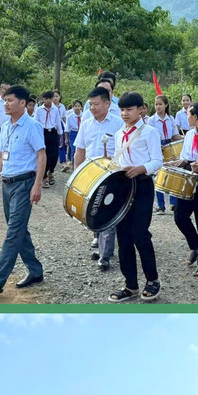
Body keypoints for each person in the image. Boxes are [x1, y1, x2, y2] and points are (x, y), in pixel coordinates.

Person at [0, 85, 46, 295]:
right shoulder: (6, 126)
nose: (5, 104)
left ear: (23, 104)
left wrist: (37, 185)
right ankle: (35, 270)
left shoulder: (32, 126)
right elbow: (0, 157)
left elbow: (41, 156)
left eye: (10, 100)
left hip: (24, 184)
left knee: (13, 232)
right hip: (7, 184)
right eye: (4, 100)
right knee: (18, 230)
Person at [107, 91, 164, 303]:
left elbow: (158, 161)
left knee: (140, 233)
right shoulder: (119, 133)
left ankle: (153, 280)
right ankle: (130, 285)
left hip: (142, 186)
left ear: (141, 110)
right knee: (123, 236)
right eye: (122, 109)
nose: (124, 113)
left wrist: (141, 169)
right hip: (123, 187)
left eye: (129, 109)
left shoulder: (150, 132)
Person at [73, 86, 125, 272]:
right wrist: (75, 175)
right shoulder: (86, 124)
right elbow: (79, 150)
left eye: (96, 104)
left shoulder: (118, 123)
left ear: (107, 103)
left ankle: (105, 256)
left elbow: (124, 151)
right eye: (90, 104)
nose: (92, 108)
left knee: (106, 214)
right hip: (90, 175)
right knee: (92, 211)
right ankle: (104, 247)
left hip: (111, 176)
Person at [173, 101, 198, 279]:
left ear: (195, 116)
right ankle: (195, 244)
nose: (186, 117)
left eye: (189, 114)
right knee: (180, 216)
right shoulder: (189, 134)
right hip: (188, 176)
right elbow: (185, 158)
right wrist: (175, 163)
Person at [150, 94, 180, 213]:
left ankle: (173, 203)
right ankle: (161, 205)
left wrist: (185, 138)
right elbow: (150, 136)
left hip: (170, 147)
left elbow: (174, 135)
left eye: (160, 104)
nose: (158, 107)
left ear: (166, 105)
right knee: (159, 175)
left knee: (172, 173)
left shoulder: (171, 119)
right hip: (158, 146)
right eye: (156, 104)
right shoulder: (151, 120)